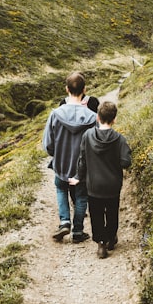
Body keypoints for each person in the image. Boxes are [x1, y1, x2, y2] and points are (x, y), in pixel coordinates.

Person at [69, 100, 131, 259]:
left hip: (94, 186)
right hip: (112, 186)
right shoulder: (120, 139)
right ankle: (111, 238)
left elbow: (82, 160)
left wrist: (78, 177)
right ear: (114, 119)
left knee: (96, 214)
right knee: (112, 213)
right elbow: (126, 162)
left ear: (97, 117)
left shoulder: (88, 136)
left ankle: (101, 244)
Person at [43, 72, 98, 243]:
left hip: (61, 162)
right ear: (85, 89)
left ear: (66, 89)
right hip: (82, 165)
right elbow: (95, 142)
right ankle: (78, 231)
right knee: (81, 196)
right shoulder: (92, 117)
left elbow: (47, 144)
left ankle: (64, 222)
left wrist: (57, 154)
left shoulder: (55, 114)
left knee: (61, 189)